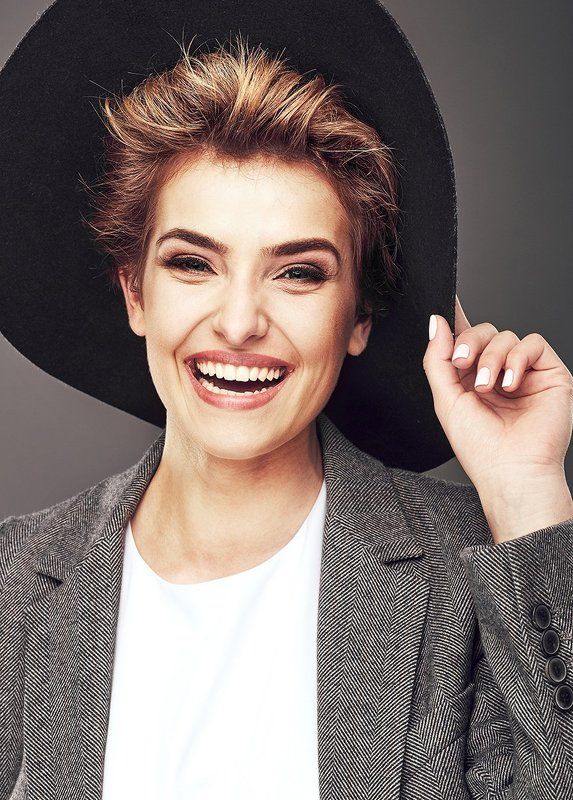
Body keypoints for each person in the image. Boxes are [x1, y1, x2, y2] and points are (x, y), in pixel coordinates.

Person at [1, 3, 573, 799]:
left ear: (358, 317)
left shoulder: (468, 573)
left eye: (298, 272)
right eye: (192, 263)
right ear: (135, 292)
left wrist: (525, 494)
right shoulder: (14, 581)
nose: (239, 323)